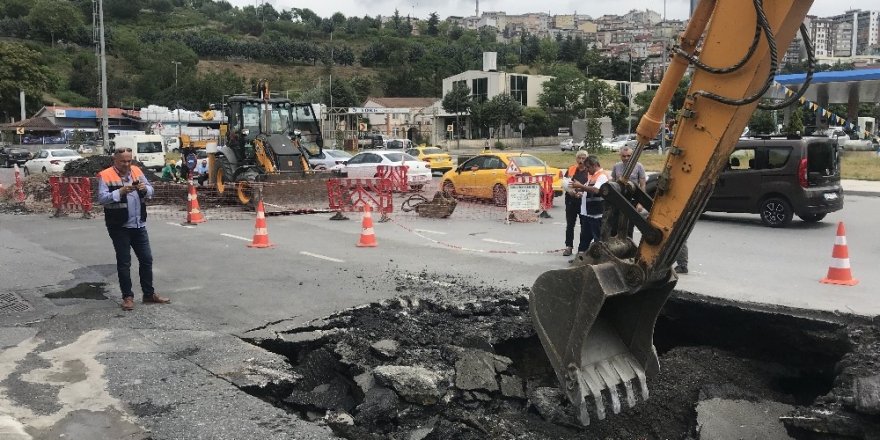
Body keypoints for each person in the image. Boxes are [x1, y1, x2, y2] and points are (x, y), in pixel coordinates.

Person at [97, 147, 171, 311]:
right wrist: (120, 192)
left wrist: (146, 189)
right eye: (123, 161)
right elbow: (102, 198)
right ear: (114, 160)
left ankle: (148, 294)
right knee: (124, 263)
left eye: (129, 160)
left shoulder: (136, 171)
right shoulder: (106, 175)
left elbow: (151, 189)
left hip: (139, 225)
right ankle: (128, 297)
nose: (126, 164)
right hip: (119, 226)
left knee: (146, 259)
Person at [570, 156, 608, 256]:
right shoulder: (592, 175)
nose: (586, 169)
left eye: (588, 167)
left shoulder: (602, 176)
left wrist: (580, 186)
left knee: (597, 239)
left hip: (596, 214)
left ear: (594, 165)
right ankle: (580, 257)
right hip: (588, 213)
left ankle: (598, 259)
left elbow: (596, 190)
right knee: (584, 239)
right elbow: (588, 189)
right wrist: (580, 192)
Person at [562, 150, 589, 256]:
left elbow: (591, 185)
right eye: (579, 158)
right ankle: (568, 246)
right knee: (570, 225)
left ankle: (582, 249)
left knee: (584, 225)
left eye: (583, 158)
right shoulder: (571, 169)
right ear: (576, 158)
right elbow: (564, 183)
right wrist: (572, 192)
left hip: (583, 201)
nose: (581, 161)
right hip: (571, 200)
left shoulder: (589, 171)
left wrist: (581, 193)